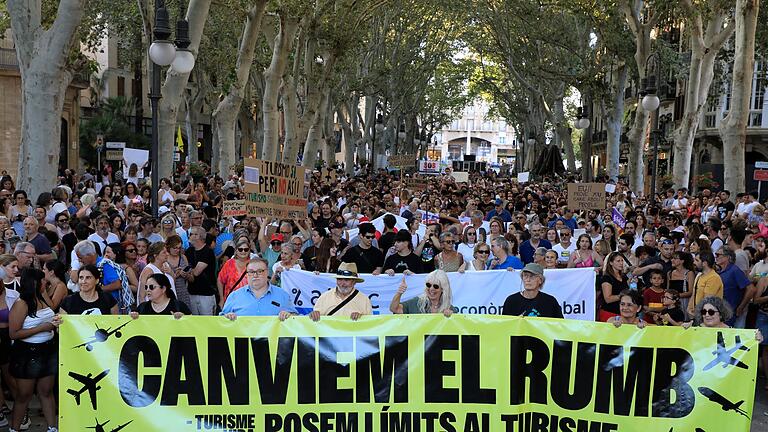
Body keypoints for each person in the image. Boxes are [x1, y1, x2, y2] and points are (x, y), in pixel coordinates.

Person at [8, 268, 60, 432]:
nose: (46, 282)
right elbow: (13, 333)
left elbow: (52, 310)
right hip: (27, 352)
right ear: (35, 283)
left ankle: (52, 427)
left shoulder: (42, 296)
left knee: (46, 391)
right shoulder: (21, 303)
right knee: (24, 395)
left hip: (47, 349)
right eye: (43, 280)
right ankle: (14, 428)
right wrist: (41, 328)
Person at [715, 248, 754, 328]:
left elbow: (751, 289)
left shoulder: (734, 270)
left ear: (728, 257)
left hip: (730, 313)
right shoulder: (720, 271)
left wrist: (741, 307)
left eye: (718, 255)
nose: (716, 257)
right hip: (720, 312)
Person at [389, 270, 456, 315]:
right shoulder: (416, 303)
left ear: (442, 289)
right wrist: (399, 293)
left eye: (436, 286)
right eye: (428, 285)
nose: (431, 289)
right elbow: (394, 309)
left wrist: (451, 318)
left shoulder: (449, 308)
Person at [185, 226, 218, 315]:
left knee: (207, 323)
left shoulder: (208, 251)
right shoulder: (189, 251)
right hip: (192, 292)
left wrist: (188, 270)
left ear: (197, 236)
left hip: (206, 294)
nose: (189, 236)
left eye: (191, 234)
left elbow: (196, 272)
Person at [217, 236, 251, 306]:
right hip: (230, 301)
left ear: (249, 250)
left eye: (246, 249)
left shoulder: (253, 264)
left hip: (248, 302)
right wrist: (222, 299)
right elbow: (220, 280)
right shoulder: (229, 263)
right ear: (236, 251)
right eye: (240, 249)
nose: (243, 251)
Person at [687, 252, 724, 317]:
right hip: (697, 315)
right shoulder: (699, 276)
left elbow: (707, 300)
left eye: (697, 260)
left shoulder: (714, 278)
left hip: (709, 316)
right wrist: (689, 309)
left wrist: (697, 314)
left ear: (704, 263)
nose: (694, 263)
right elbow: (694, 294)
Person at [599, 252, 628, 322]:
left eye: (622, 261)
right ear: (611, 263)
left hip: (622, 313)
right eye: (618, 261)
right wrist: (623, 296)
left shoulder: (624, 277)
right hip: (609, 313)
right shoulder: (606, 278)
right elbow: (608, 299)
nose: (621, 263)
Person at [668, 251, 695, 316]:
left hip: (685, 303)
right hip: (672, 303)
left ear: (682, 261)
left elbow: (691, 292)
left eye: (675, 258)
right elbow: (668, 289)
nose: (672, 260)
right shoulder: (670, 273)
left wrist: (676, 296)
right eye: (672, 258)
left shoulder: (689, 273)